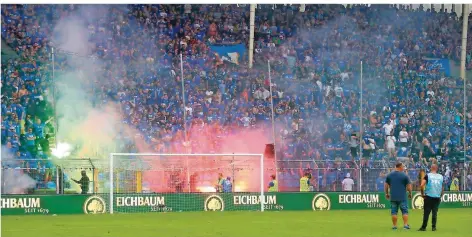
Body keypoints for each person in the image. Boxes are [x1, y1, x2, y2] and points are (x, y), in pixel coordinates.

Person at [385, 162, 412, 230]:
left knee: (394, 212)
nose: (403, 168)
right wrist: (410, 193)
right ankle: (405, 225)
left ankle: (394, 226)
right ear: (400, 167)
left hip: (393, 197)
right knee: (404, 211)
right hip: (402, 197)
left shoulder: (389, 175)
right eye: (403, 166)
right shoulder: (405, 175)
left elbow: (386, 185)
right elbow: (409, 186)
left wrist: (386, 193)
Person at [419, 164, 444, 231]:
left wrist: (422, 194)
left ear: (431, 168)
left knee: (426, 212)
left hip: (429, 197)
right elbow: (442, 187)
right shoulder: (441, 176)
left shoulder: (428, 175)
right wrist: (441, 195)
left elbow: (421, 185)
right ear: (437, 168)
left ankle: (423, 227)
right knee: (434, 213)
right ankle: (433, 227)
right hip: (437, 197)